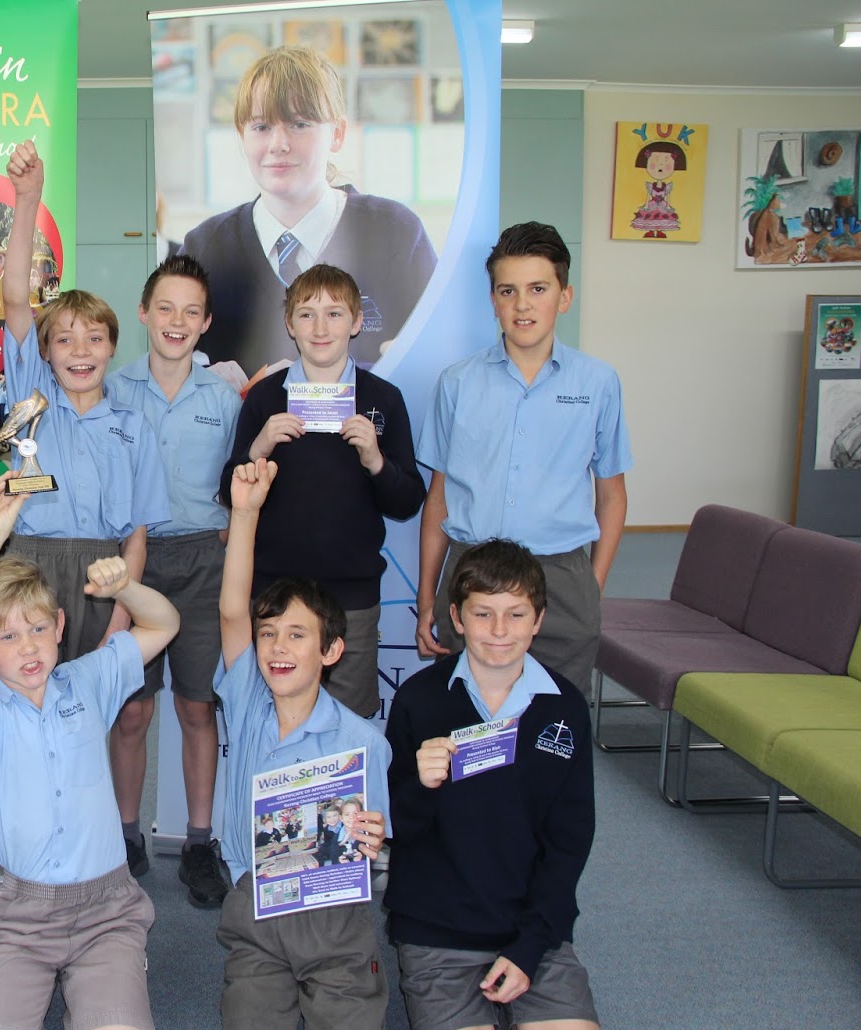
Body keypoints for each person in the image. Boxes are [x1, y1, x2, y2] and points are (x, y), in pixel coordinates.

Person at [0, 472, 180, 1030]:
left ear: (60, 628)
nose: (28, 646)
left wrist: (126, 587)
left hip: (108, 911)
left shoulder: (86, 679)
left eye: (39, 628)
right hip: (21, 915)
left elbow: (163, 624)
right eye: (8, 635)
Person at [385, 539, 604, 1030]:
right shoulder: (419, 699)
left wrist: (530, 948)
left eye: (515, 615)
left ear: (539, 619)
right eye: (484, 614)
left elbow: (569, 843)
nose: (500, 631)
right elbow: (395, 828)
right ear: (456, 617)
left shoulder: (565, 707)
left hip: (535, 932)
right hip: (438, 934)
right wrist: (419, 784)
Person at [214, 457, 391, 1030]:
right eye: (270, 635)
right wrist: (244, 514)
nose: (278, 647)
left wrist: (374, 838)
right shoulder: (246, 704)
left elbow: (379, 844)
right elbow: (234, 612)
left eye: (296, 635)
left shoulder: (364, 742)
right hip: (257, 908)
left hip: (336, 922)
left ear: (331, 650)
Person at [414, 222, 632, 703]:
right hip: (472, 574)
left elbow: (612, 495)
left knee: (554, 734)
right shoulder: (457, 384)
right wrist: (427, 595)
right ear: (493, 299)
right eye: (507, 290)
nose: (522, 304)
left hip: (561, 578)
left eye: (538, 288)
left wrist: (590, 589)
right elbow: (439, 500)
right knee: (466, 732)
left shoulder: (598, 384)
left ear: (565, 296)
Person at [221, 264, 424, 717]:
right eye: (307, 314)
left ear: (356, 323)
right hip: (274, 593)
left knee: (349, 725)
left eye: (334, 314)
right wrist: (258, 447)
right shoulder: (265, 398)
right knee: (273, 722)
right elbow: (228, 492)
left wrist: (375, 461)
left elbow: (409, 501)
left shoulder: (383, 399)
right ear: (290, 324)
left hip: (350, 597)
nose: (320, 327)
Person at [1, 140, 171, 666]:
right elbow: (13, 300)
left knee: (94, 711)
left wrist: (122, 614)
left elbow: (136, 536)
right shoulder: (31, 400)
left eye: (95, 339)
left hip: (105, 575)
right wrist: (28, 198)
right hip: (31, 567)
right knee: (28, 698)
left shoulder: (134, 427)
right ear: (45, 353)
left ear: (114, 348)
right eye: (65, 340)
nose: (81, 351)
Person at [104, 253, 240, 904]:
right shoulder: (111, 389)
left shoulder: (226, 398)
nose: (177, 322)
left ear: (206, 322)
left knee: (196, 707)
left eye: (191, 311)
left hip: (201, 564)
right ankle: (126, 834)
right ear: (143, 314)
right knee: (130, 709)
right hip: (134, 561)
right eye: (165, 308)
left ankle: (199, 841)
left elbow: (244, 483)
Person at [177, 46, 437, 376]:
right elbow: (171, 362)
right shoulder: (204, 248)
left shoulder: (397, 233)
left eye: (299, 124)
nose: (278, 144)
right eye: (261, 127)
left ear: (337, 134)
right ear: (241, 136)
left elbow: (436, 357)